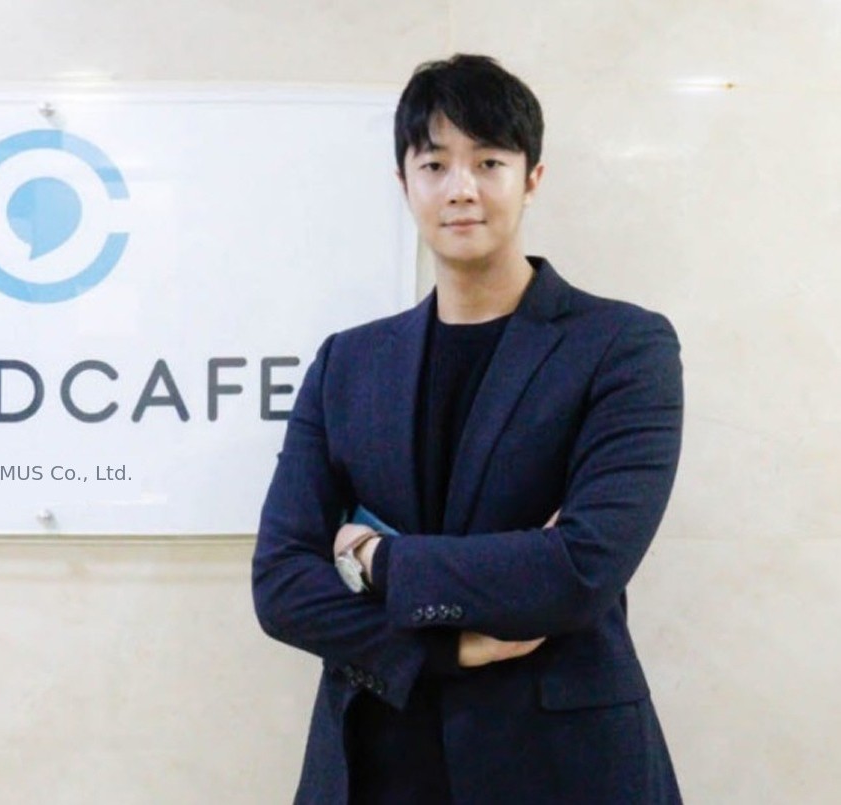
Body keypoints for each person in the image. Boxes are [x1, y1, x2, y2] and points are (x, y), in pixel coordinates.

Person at [252, 54, 684, 804]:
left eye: (488, 162)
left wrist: (376, 559)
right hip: (376, 760)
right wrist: (442, 648)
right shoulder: (347, 362)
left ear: (532, 178)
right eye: (434, 164)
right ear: (403, 183)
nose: (461, 188)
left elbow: (579, 570)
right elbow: (282, 583)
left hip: (562, 767)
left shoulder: (622, 346)